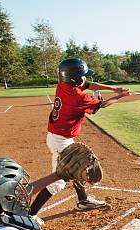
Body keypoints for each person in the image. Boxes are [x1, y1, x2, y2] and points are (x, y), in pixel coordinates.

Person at [31, 57, 129, 214]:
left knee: (77, 165)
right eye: (83, 75)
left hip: (60, 136)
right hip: (60, 141)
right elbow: (102, 105)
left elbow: (88, 85)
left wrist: (113, 88)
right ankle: (32, 214)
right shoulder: (78, 98)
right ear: (74, 79)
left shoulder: (63, 85)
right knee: (59, 181)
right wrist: (120, 96)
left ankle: (83, 200)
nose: (85, 78)